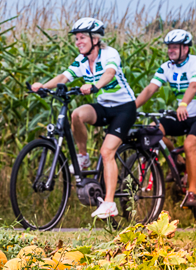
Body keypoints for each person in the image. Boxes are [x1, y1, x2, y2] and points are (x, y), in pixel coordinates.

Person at [31, 17, 136, 219]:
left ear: (95, 39)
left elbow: (110, 73)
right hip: (105, 106)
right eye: (76, 38)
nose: (78, 42)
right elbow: (64, 77)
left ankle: (109, 203)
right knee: (77, 114)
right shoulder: (82, 61)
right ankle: (82, 156)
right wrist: (43, 86)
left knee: (107, 152)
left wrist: (96, 86)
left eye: (82, 38)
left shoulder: (108, 54)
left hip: (124, 108)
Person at [134, 29, 196, 207]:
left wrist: (183, 104)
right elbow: (151, 88)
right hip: (185, 113)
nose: (170, 50)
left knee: (190, 145)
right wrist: (131, 108)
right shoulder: (167, 67)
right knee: (153, 130)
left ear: (185, 49)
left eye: (175, 47)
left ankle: (191, 193)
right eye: (169, 47)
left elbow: (194, 85)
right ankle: (178, 162)